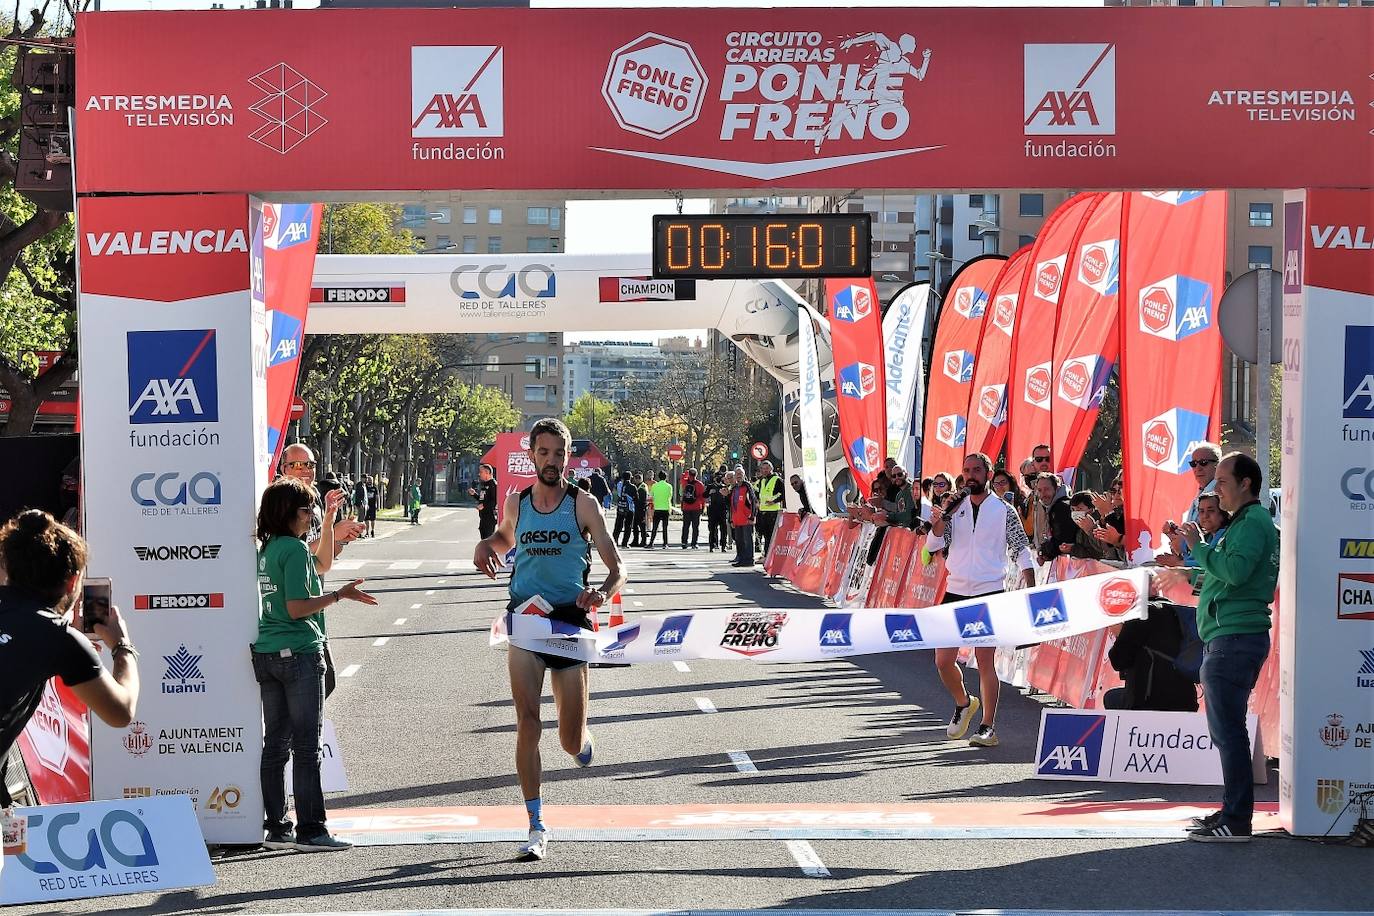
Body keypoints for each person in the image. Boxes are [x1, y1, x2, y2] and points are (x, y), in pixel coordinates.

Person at [473, 418, 625, 861]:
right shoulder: (517, 500)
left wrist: (601, 593)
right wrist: (486, 545)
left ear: (566, 456)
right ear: (531, 454)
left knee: (568, 740)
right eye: (544, 453)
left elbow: (618, 569)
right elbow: (505, 536)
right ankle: (536, 822)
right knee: (527, 722)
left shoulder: (583, 504)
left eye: (559, 454)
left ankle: (582, 742)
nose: (552, 461)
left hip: (571, 623)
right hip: (525, 620)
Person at [253, 477, 376, 852]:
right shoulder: (290, 549)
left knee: (275, 744)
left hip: (268, 653)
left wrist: (329, 523)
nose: (312, 515)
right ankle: (312, 829)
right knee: (306, 747)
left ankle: (277, 825)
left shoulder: (272, 547)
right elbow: (297, 607)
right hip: (299, 652)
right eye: (308, 510)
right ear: (289, 513)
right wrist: (339, 596)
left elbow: (321, 561)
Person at [0, 511, 141, 811]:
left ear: (7, 569)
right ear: (73, 581)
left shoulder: (55, 638)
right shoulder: (56, 638)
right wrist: (122, 646)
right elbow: (121, 711)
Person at [1176, 452, 1277, 843]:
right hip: (1230, 636)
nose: (1215, 489)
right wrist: (1201, 554)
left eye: (1221, 481)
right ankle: (1231, 813)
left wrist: (1198, 548)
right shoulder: (1247, 522)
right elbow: (1224, 572)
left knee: (1229, 733)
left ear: (1245, 483)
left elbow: (1233, 572)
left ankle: (1236, 821)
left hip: (1234, 638)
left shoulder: (1252, 522)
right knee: (1227, 732)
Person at [925, 452, 1036, 748]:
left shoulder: (1003, 509)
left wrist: (1030, 586)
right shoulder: (954, 508)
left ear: (988, 474)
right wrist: (941, 517)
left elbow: (1022, 550)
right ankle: (963, 703)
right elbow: (933, 544)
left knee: (985, 660)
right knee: (942, 660)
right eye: (966, 471)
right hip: (955, 590)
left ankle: (988, 726)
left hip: (989, 592)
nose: (971, 475)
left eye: (977, 470)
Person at [729, 469, 758, 567]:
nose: (738, 476)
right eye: (737, 474)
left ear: (744, 474)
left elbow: (753, 501)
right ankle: (741, 559)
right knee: (739, 540)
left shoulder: (747, 486)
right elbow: (731, 505)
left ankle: (749, 559)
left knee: (747, 540)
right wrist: (731, 519)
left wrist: (752, 516)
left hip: (746, 519)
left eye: (740, 474)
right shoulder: (734, 488)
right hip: (737, 519)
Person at [755, 461, 784, 557]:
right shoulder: (762, 481)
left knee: (771, 536)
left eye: (766, 468)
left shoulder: (777, 480)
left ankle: (770, 556)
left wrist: (774, 501)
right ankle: (766, 554)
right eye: (762, 469)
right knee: (765, 535)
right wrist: (757, 501)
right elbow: (759, 493)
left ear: (771, 469)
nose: (764, 471)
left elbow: (783, 494)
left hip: (773, 511)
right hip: (763, 511)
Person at [469, 464, 499, 540]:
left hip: (490, 518)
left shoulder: (493, 485)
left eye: (481, 472)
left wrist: (484, 505)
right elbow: (482, 499)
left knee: (487, 542)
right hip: (483, 517)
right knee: (484, 540)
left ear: (487, 472)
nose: (479, 474)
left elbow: (495, 500)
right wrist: (474, 494)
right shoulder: (485, 485)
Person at [679, 468, 705, 549]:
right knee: (695, 526)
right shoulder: (700, 484)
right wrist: (703, 507)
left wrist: (687, 473)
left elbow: (682, 476)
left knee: (685, 526)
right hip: (696, 507)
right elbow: (702, 497)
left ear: (689, 474)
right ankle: (694, 543)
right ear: (696, 475)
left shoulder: (684, 482)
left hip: (686, 507)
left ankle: (684, 542)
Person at [706, 470, 731, 552]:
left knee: (723, 529)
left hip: (722, 510)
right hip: (713, 510)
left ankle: (723, 545)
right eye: (717, 478)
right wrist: (709, 492)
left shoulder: (724, 486)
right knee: (712, 529)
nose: (718, 479)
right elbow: (704, 495)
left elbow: (728, 498)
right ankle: (712, 545)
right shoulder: (710, 486)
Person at [648, 471, 673, 549]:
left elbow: (651, 496)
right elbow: (670, 496)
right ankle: (665, 544)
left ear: (658, 477)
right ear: (666, 477)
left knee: (655, 527)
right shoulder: (669, 486)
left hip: (657, 508)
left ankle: (651, 543)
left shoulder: (655, 486)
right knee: (665, 527)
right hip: (666, 508)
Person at [612, 471, 635, 548]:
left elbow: (618, 494)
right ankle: (624, 543)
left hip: (620, 506)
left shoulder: (619, 485)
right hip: (629, 508)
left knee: (618, 525)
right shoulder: (632, 487)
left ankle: (614, 541)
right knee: (628, 526)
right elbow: (636, 497)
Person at [633, 473, 650, 548]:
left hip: (641, 509)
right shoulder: (639, 486)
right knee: (635, 525)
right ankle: (635, 541)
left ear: (638, 479)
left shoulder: (642, 487)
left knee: (642, 526)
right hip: (637, 509)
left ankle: (643, 541)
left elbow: (641, 500)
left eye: (636, 479)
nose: (635, 481)